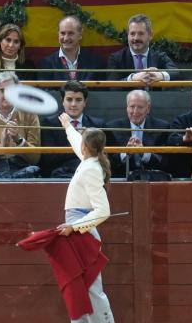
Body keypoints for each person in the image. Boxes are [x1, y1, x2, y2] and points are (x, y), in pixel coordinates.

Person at [56, 113, 114, 323]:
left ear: (86, 147)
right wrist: (66, 126)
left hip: (80, 229)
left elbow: (102, 211)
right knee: (80, 283)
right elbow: (75, 142)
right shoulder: (90, 161)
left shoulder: (91, 168)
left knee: (90, 284)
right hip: (78, 228)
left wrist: (74, 226)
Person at [40, 80, 104, 178]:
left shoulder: (98, 125)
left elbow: (106, 157)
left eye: (78, 100)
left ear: (85, 102)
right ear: (62, 101)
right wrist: (82, 143)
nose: (73, 104)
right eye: (69, 99)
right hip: (59, 178)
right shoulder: (48, 124)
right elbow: (49, 159)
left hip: (91, 175)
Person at [106, 90, 170, 178]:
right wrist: (125, 153)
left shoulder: (162, 127)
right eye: (132, 106)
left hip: (152, 179)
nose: (135, 111)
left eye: (140, 107)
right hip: (121, 179)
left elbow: (164, 161)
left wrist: (144, 153)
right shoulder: (112, 127)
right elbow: (109, 161)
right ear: (127, 107)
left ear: (148, 108)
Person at [107, 14, 178, 88]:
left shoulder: (160, 56)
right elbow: (112, 86)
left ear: (150, 35)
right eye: (132, 34)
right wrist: (132, 78)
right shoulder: (116, 58)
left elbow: (176, 73)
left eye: (140, 34)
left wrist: (160, 75)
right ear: (127, 35)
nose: (136, 38)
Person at [38, 16, 106, 82]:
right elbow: (44, 92)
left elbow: (101, 92)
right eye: (62, 33)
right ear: (58, 34)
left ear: (80, 35)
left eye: (71, 33)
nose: (66, 38)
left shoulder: (96, 62)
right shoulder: (47, 63)